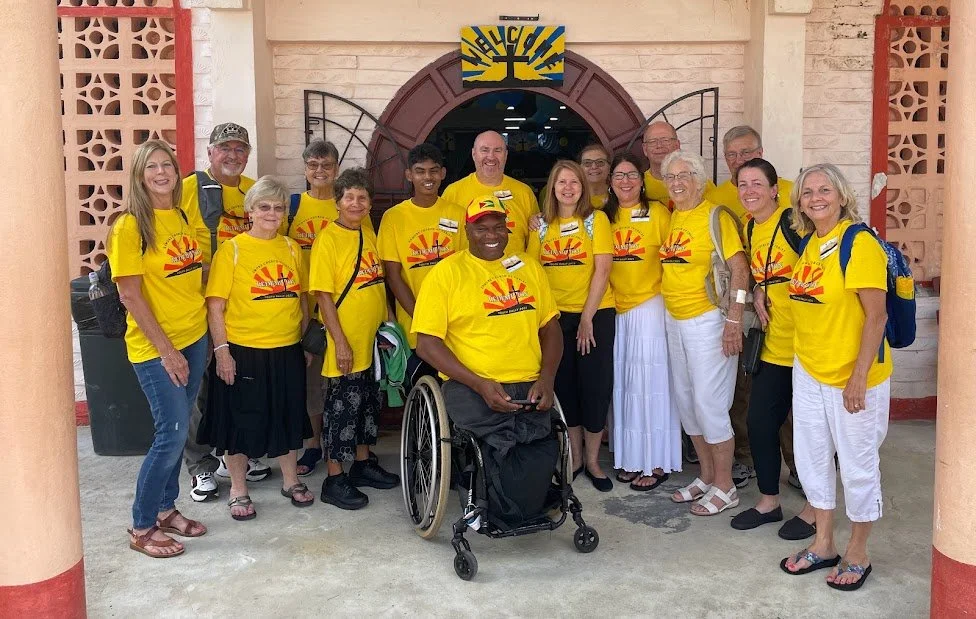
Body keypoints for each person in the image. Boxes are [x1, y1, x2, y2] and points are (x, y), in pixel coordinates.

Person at [413, 195, 562, 525]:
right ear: (467, 231)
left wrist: (547, 378)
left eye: (499, 227)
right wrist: (479, 383)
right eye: (482, 229)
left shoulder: (529, 267)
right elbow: (426, 344)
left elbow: (551, 328)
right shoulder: (446, 274)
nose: (492, 235)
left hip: (529, 381)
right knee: (504, 439)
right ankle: (496, 503)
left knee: (539, 438)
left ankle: (519, 500)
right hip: (471, 382)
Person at [780, 163, 892, 591]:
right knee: (812, 460)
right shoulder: (812, 242)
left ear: (842, 195)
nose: (815, 198)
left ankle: (858, 552)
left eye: (824, 190)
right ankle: (823, 542)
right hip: (809, 371)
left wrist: (859, 377)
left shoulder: (857, 242)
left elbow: (876, 316)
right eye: (807, 192)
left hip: (852, 374)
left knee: (858, 465)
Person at [110, 140, 209, 557]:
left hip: (194, 336)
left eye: (166, 164)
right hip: (156, 347)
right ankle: (142, 525)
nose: (160, 172)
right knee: (169, 436)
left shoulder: (182, 213)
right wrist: (168, 351)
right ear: (139, 175)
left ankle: (167, 510)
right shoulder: (130, 226)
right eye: (151, 167)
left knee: (179, 425)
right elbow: (130, 295)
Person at [199, 177, 315, 520]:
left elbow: (302, 298)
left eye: (278, 208)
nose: (272, 213)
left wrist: (305, 339)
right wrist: (222, 352)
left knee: (288, 416)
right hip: (244, 349)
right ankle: (238, 489)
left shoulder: (292, 248)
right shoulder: (232, 250)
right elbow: (215, 306)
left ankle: (290, 480)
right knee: (239, 421)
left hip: (287, 348)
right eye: (264, 206)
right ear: (250, 211)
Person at [179, 122, 272, 502]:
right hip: (198, 306)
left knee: (233, 384)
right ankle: (200, 467)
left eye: (239, 149)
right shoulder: (188, 188)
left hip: (243, 310)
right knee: (198, 388)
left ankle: (231, 456)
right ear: (210, 153)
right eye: (225, 148)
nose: (232, 155)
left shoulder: (254, 191)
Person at [706, 125, 799, 490]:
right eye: (731, 155)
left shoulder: (793, 195)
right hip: (751, 310)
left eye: (746, 153)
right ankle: (751, 464)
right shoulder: (720, 197)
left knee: (792, 406)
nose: (739, 162)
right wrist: (755, 291)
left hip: (800, 322)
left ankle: (800, 470)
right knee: (748, 393)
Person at [728, 159, 816, 538]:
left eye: (757, 183)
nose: (749, 191)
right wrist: (759, 292)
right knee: (760, 423)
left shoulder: (794, 222)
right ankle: (769, 501)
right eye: (743, 184)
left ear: (774, 188)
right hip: (773, 343)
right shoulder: (750, 226)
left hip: (809, 346)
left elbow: (817, 271)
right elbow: (760, 275)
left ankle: (815, 508)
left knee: (812, 432)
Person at [659, 150, 748, 516]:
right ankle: (707, 475)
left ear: (699, 179)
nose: (677, 182)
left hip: (708, 320)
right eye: (671, 177)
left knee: (711, 404)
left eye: (685, 175)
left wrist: (734, 320)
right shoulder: (674, 217)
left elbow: (740, 271)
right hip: (674, 319)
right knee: (686, 400)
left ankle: (726, 486)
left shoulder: (714, 216)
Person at [308, 167, 400, 510]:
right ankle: (334, 477)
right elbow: (324, 296)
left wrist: (389, 324)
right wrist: (341, 342)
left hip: (372, 342)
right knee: (342, 412)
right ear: (338, 202)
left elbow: (378, 283)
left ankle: (362, 464)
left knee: (367, 407)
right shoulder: (327, 239)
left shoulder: (369, 233)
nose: (357, 203)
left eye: (363, 198)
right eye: (350, 197)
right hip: (345, 344)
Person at [526, 161, 615, 492]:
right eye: (561, 182)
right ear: (552, 187)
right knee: (565, 387)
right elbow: (532, 273)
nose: (568, 188)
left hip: (595, 314)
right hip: (555, 318)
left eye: (574, 182)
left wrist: (587, 318)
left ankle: (593, 461)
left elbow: (602, 271)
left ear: (583, 186)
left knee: (594, 387)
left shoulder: (596, 220)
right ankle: (576, 458)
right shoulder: (541, 226)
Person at [286, 139, 364, 477]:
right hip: (302, 309)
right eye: (314, 165)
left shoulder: (347, 205)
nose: (320, 171)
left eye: (327, 165)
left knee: (344, 384)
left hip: (342, 307)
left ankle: (347, 447)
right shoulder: (291, 206)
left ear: (337, 168)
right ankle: (313, 445)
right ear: (305, 168)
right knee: (311, 385)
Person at [603, 153, 681, 491]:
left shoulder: (660, 213)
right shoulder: (602, 217)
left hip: (650, 307)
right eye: (618, 175)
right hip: (617, 310)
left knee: (652, 387)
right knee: (625, 386)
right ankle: (632, 458)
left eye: (631, 174)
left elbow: (676, 260)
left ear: (642, 179)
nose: (625, 181)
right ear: (610, 182)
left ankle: (656, 460)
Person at [378, 143, 467, 354]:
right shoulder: (393, 217)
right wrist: (421, 317)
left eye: (433, 171)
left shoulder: (458, 213)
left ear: (442, 173)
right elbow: (392, 275)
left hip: (454, 323)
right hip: (414, 324)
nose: (428, 177)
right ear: (409, 175)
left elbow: (466, 267)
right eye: (420, 171)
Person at [441, 130, 539, 253]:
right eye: (485, 150)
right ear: (473, 154)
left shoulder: (524, 192)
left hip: (514, 271)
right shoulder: (453, 192)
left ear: (506, 154)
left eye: (498, 150)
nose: (491, 157)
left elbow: (535, 240)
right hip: (468, 271)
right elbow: (444, 241)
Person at [642, 121, 716, 206]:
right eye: (652, 141)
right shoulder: (637, 185)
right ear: (645, 149)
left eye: (665, 140)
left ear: (677, 145)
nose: (659, 145)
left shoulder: (699, 182)